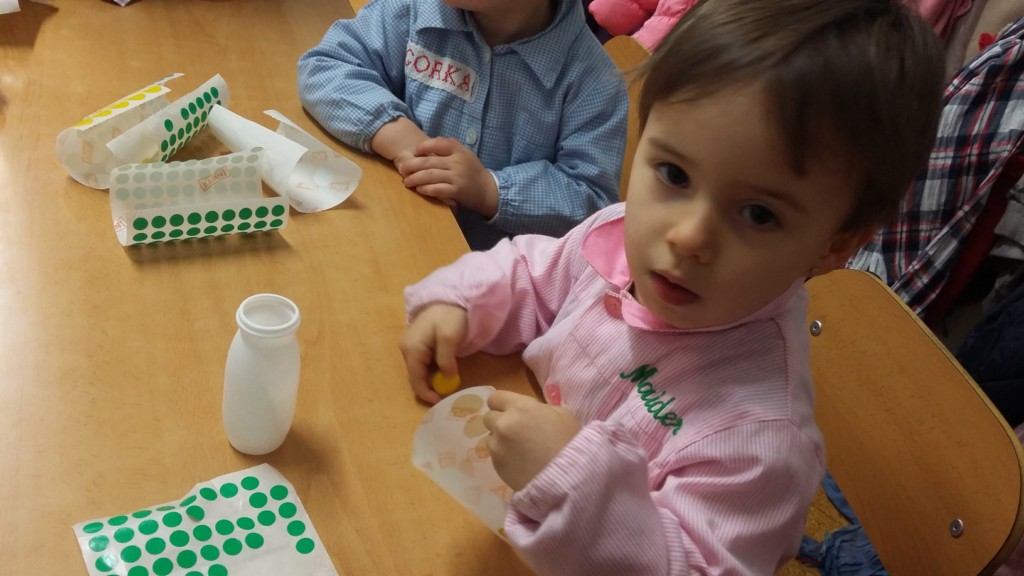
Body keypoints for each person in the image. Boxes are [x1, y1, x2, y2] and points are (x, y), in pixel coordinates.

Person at [400, 0, 945, 573]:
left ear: (835, 245)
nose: (687, 237)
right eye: (675, 174)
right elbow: (534, 274)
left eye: (759, 214)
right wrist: (461, 303)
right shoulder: (620, 234)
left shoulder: (760, 442)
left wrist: (568, 479)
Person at [297, 0, 628, 250]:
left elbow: (592, 201)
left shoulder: (594, 82)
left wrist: (489, 190)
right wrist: (402, 139)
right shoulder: (413, 10)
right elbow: (326, 65)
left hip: (497, 290)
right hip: (395, 234)